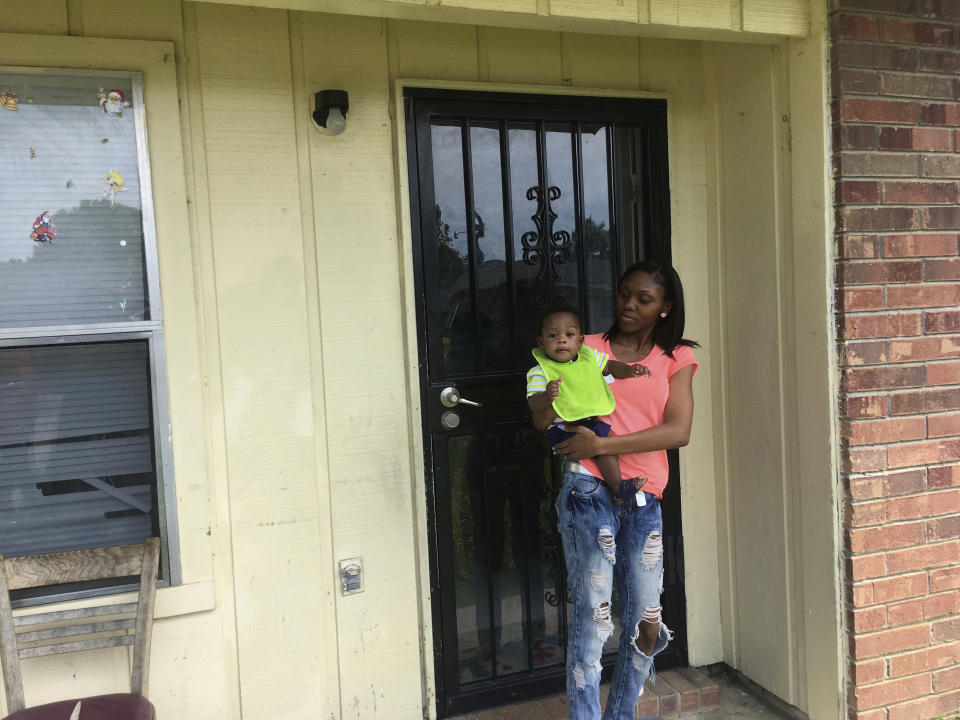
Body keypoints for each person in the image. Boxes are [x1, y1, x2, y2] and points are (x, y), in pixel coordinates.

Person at [552, 261, 698, 720]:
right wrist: (582, 442)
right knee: (594, 620)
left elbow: (678, 431)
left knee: (646, 624)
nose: (629, 305)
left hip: (644, 495)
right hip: (588, 489)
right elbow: (556, 411)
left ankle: (620, 714)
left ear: (665, 307)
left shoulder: (676, 359)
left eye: (644, 299)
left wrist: (604, 443)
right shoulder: (585, 347)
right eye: (624, 294)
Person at [526, 305, 650, 495]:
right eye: (552, 336)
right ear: (540, 342)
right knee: (596, 447)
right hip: (561, 429)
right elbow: (533, 403)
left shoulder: (588, 358)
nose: (561, 339)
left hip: (588, 423)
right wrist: (546, 396)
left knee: (605, 441)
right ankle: (607, 489)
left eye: (569, 334)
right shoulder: (540, 372)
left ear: (581, 341)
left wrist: (630, 370)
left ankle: (617, 488)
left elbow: (609, 366)